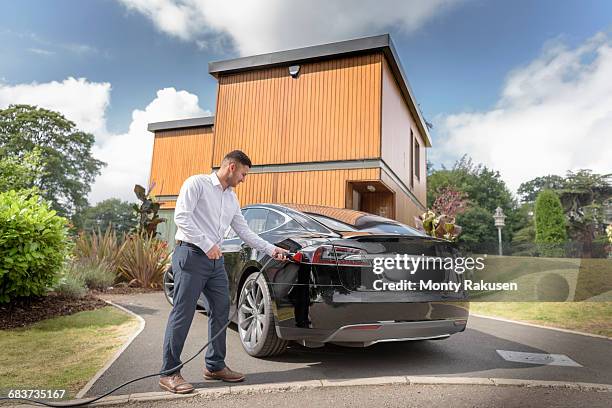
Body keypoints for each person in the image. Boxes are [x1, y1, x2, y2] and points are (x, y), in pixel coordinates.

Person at [159, 150, 288, 394]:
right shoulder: (196, 183)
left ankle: (215, 365)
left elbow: (244, 231)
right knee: (183, 313)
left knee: (222, 310)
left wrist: (272, 250)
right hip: (191, 255)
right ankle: (169, 373)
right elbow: (182, 218)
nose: (243, 178)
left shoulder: (231, 198)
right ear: (231, 167)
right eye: (243, 173)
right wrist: (207, 245)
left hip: (214, 262)